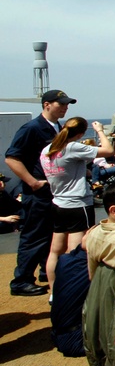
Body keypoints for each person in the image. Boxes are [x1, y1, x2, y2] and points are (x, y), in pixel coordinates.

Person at [6, 89, 75, 296]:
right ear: (47, 104)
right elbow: (12, 157)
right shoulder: (32, 128)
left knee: (50, 233)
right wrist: (32, 182)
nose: (65, 107)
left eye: (66, 104)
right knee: (34, 236)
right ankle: (22, 280)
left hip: (53, 191)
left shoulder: (56, 128)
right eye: (60, 104)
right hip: (38, 193)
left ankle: (47, 269)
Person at [39, 117, 115, 296]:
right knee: (76, 251)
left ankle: (54, 292)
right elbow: (109, 150)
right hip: (77, 204)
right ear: (80, 133)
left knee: (55, 251)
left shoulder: (47, 150)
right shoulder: (72, 147)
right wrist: (100, 131)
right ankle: (74, 291)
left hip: (58, 202)